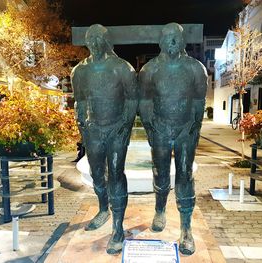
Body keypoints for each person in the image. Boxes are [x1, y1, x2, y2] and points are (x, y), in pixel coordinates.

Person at [139, 22, 208, 255]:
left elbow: (199, 101)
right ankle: (160, 210)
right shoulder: (149, 70)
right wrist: (149, 127)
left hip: (185, 130)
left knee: (185, 176)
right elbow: (145, 102)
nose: (171, 42)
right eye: (167, 38)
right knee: (160, 172)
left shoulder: (195, 68)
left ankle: (186, 229)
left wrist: (195, 126)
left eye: (175, 38)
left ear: (182, 41)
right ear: (160, 42)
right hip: (159, 129)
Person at [71, 24, 137, 254]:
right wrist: (82, 125)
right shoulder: (79, 71)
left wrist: (125, 125)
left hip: (117, 128)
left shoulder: (122, 67)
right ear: (87, 42)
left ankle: (117, 228)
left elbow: (132, 100)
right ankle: (102, 208)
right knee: (97, 173)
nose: (96, 43)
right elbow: (79, 101)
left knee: (116, 173)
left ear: (107, 41)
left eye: (100, 39)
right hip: (93, 130)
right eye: (92, 39)